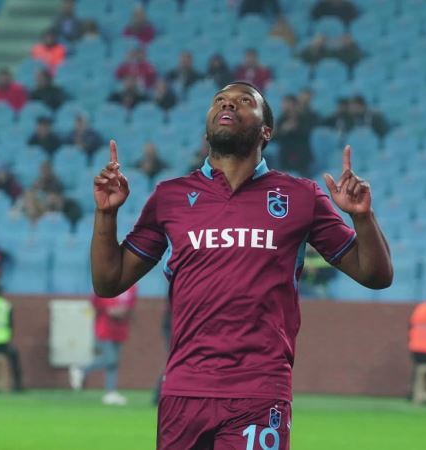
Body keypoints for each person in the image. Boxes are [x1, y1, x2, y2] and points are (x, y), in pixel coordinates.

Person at [91, 81, 392, 448]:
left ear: (266, 131)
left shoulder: (301, 197)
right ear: (207, 128)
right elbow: (109, 282)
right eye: (219, 100)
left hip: (259, 391)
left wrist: (362, 217)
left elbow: (375, 275)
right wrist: (106, 214)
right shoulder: (169, 197)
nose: (227, 104)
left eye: (243, 101)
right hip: (184, 390)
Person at [69, 285, 138, 406]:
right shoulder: (107, 281)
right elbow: (98, 303)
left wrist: (123, 311)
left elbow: (130, 306)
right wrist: (110, 309)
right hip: (105, 328)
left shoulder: (132, 287)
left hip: (120, 329)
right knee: (110, 359)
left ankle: (110, 393)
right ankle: (81, 369)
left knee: (113, 363)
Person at [274, 94, 314, 177]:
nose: (285, 107)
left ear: (295, 105)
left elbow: (307, 133)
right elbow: (275, 138)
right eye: (284, 104)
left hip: (301, 153)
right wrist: (284, 130)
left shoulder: (304, 118)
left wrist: (295, 127)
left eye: (288, 104)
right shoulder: (281, 119)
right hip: (285, 154)